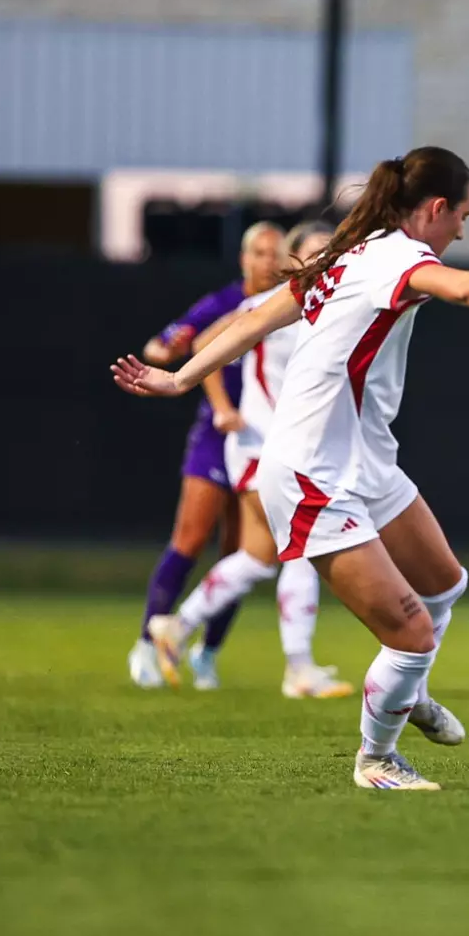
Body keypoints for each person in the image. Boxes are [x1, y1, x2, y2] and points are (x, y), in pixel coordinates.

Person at [112, 147, 469, 790]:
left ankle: (409, 692)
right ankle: (376, 758)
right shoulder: (399, 258)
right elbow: (463, 289)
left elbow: (260, 314)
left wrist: (183, 376)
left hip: (364, 462)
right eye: (463, 215)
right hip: (312, 471)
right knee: (409, 632)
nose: (462, 229)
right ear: (436, 208)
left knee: (443, 584)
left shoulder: (355, 252)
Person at [145, 221, 353, 698]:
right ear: (292, 260)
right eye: (315, 252)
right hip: (262, 447)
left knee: (257, 557)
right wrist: (222, 407)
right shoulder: (265, 305)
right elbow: (202, 344)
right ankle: (299, 669)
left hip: (289, 449)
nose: (325, 259)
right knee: (303, 547)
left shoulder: (332, 309)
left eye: (332, 251)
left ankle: (176, 626)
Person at [127, 222, 284, 689]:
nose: (268, 261)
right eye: (259, 252)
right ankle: (146, 644)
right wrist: (218, 404)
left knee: (239, 554)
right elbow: (164, 345)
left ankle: (206, 654)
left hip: (265, 438)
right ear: (243, 258)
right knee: (190, 538)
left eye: (276, 252)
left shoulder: (291, 307)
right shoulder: (224, 305)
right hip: (220, 436)